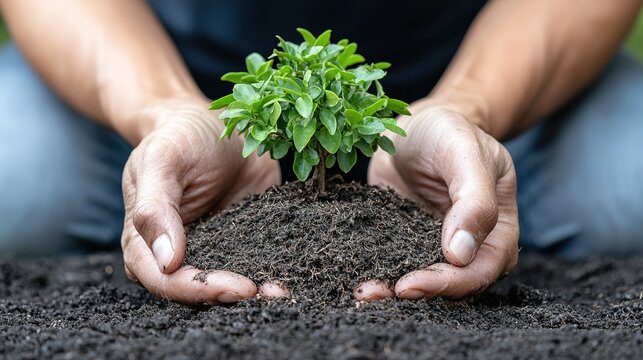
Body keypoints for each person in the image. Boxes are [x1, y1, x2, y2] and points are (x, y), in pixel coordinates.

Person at [1, 0, 642, 304]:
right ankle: (147, 180)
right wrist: (162, 109)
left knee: (628, 186)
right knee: (19, 185)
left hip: (498, 72)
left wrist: (470, 107)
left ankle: (485, 180)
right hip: (141, 67)